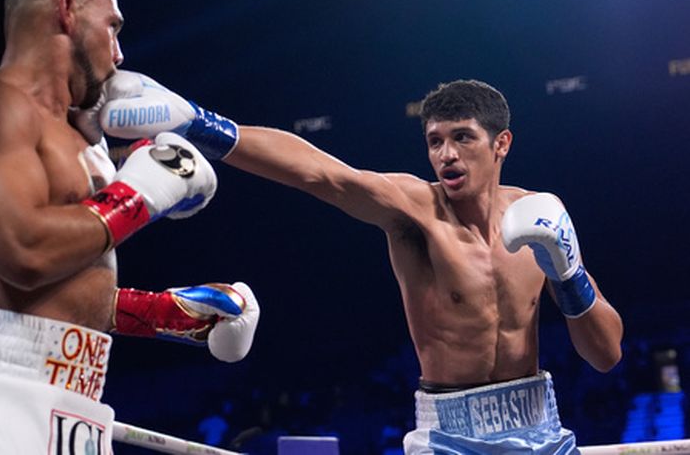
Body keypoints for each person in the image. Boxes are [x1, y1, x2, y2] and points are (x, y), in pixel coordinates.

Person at [90, 70, 623, 453]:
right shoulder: (418, 210)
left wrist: (569, 273)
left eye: (462, 138)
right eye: (435, 141)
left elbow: (606, 354)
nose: (446, 155)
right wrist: (201, 125)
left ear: (501, 143)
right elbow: (321, 173)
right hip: (449, 436)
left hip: (543, 430)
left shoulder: (539, 217)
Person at [0, 0, 259, 455]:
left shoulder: (82, 139)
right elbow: (24, 255)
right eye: (112, 27)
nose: (119, 54)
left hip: (71, 402)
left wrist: (169, 312)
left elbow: (56, 294)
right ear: (66, 10)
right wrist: (141, 195)